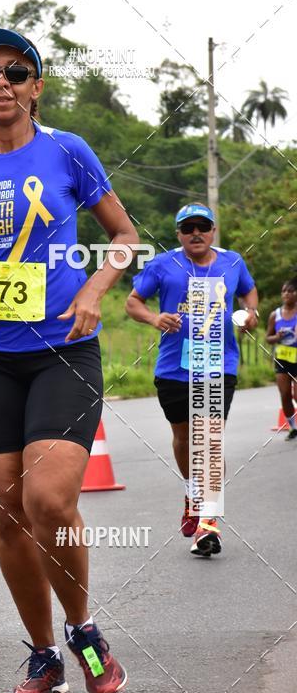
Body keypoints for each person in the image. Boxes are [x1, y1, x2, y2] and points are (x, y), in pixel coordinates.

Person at [0, 28, 139, 693]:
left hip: (62, 352)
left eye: (16, 72)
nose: (1, 83)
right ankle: (44, 654)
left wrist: (92, 290)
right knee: (7, 514)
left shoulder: (68, 152)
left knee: (47, 499)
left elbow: (124, 236)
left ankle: (84, 629)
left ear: (36, 87)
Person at [126, 203, 258, 557]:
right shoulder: (162, 265)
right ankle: (193, 493)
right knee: (185, 439)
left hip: (218, 364)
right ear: (179, 234)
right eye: (188, 228)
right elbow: (133, 302)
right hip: (174, 368)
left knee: (211, 441)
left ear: (213, 230)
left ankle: (208, 523)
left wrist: (251, 313)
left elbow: (249, 290)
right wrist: (154, 319)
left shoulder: (232, 262)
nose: (195, 233)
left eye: (202, 226)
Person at [265, 278, 297, 441]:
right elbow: (267, 338)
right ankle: (293, 427)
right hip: (282, 359)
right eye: (284, 291)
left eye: (290, 291)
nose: (286, 294)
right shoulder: (275, 315)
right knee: (284, 394)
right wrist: (277, 336)